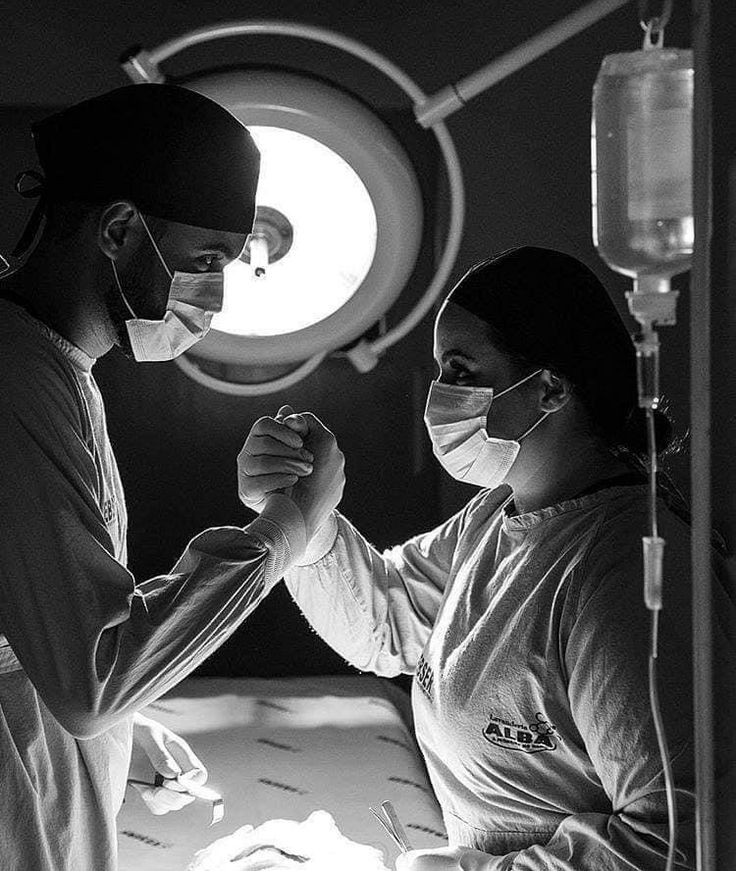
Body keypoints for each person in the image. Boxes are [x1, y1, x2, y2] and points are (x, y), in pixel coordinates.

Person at [220, 246, 735, 870]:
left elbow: (674, 841)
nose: (440, 395)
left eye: (460, 370)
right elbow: (385, 623)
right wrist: (305, 515)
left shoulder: (621, 570)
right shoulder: (499, 515)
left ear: (548, 387)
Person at [0, 83, 344, 871]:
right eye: (205, 261)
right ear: (120, 229)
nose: (214, 298)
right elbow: (92, 679)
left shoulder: (55, 363)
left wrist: (126, 725)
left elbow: (48, 636)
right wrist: (287, 527)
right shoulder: (17, 377)